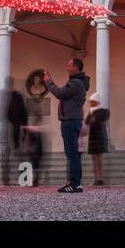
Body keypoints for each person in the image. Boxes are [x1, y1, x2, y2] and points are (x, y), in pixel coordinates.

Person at [42, 57, 89, 193]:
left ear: (76, 68)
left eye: (69, 65)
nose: (67, 67)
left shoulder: (76, 83)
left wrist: (48, 80)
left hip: (70, 120)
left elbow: (59, 93)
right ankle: (75, 183)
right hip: (72, 119)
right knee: (73, 153)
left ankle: (74, 184)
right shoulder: (78, 83)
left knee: (72, 153)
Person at [1, 77, 27, 187]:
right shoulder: (2, 95)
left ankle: (22, 179)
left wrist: (23, 128)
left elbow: (22, 113)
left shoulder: (17, 97)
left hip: (14, 128)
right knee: (6, 155)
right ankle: (6, 180)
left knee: (17, 153)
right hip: (6, 129)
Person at [85, 93, 110, 186]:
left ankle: (100, 178)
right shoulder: (91, 112)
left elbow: (97, 120)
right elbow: (86, 122)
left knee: (99, 159)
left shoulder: (102, 111)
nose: (90, 103)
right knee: (94, 159)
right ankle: (96, 178)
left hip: (100, 137)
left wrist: (92, 119)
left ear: (96, 102)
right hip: (92, 138)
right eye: (90, 102)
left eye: (92, 102)